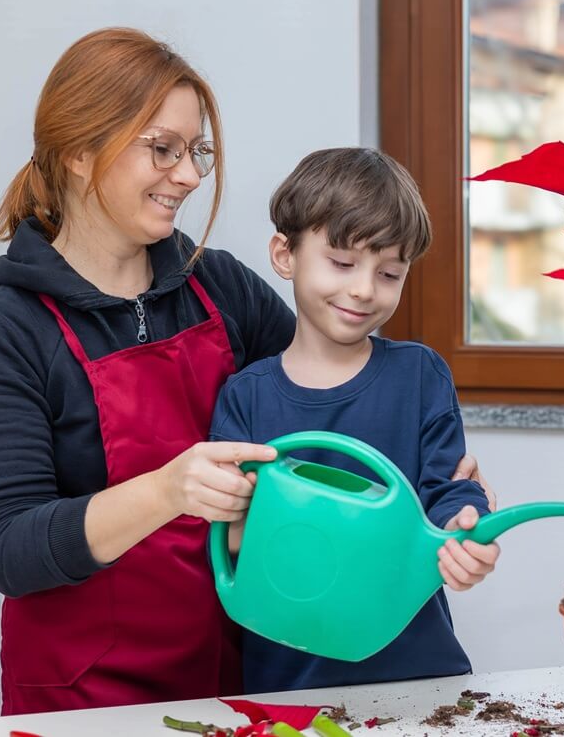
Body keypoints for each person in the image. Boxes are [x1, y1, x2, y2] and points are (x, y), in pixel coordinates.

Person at [0, 28, 491, 716]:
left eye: (196, 151)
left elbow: (315, 396)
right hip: (91, 692)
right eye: (164, 149)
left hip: (239, 671)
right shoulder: (7, 336)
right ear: (82, 151)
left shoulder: (217, 288)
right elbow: (7, 547)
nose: (191, 175)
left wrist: (434, 482)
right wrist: (167, 489)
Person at [209, 147, 500, 694]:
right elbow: (228, 533)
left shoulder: (420, 375)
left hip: (420, 674)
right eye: (342, 263)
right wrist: (240, 526)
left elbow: (449, 489)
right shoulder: (244, 397)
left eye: (389, 272)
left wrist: (467, 531)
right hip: (287, 681)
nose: (365, 289)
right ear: (284, 254)